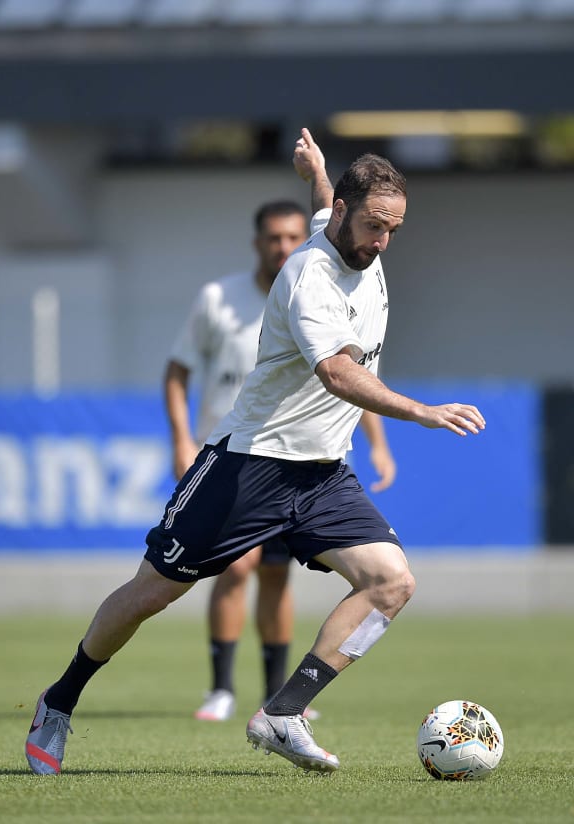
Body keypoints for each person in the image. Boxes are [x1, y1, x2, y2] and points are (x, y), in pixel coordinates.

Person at [25, 127, 484, 776]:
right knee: (150, 594)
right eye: (375, 225)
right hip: (249, 466)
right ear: (349, 216)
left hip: (323, 474)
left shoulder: (350, 232)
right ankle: (59, 701)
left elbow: (330, 204)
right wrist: (421, 411)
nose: (382, 242)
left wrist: (317, 172)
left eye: (393, 231)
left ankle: (283, 712)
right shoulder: (308, 275)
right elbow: (337, 373)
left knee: (391, 582)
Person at [163, 200, 396, 722]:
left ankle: (277, 696)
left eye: (293, 236)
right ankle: (221, 688)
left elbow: (353, 378)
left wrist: (378, 442)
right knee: (234, 569)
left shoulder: (326, 286)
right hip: (236, 457)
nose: (284, 246)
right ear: (258, 242)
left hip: (296, 458)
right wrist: (181, 440)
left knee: (274, 577)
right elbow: (176, 371)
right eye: (274, 238)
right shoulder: (219, 298)